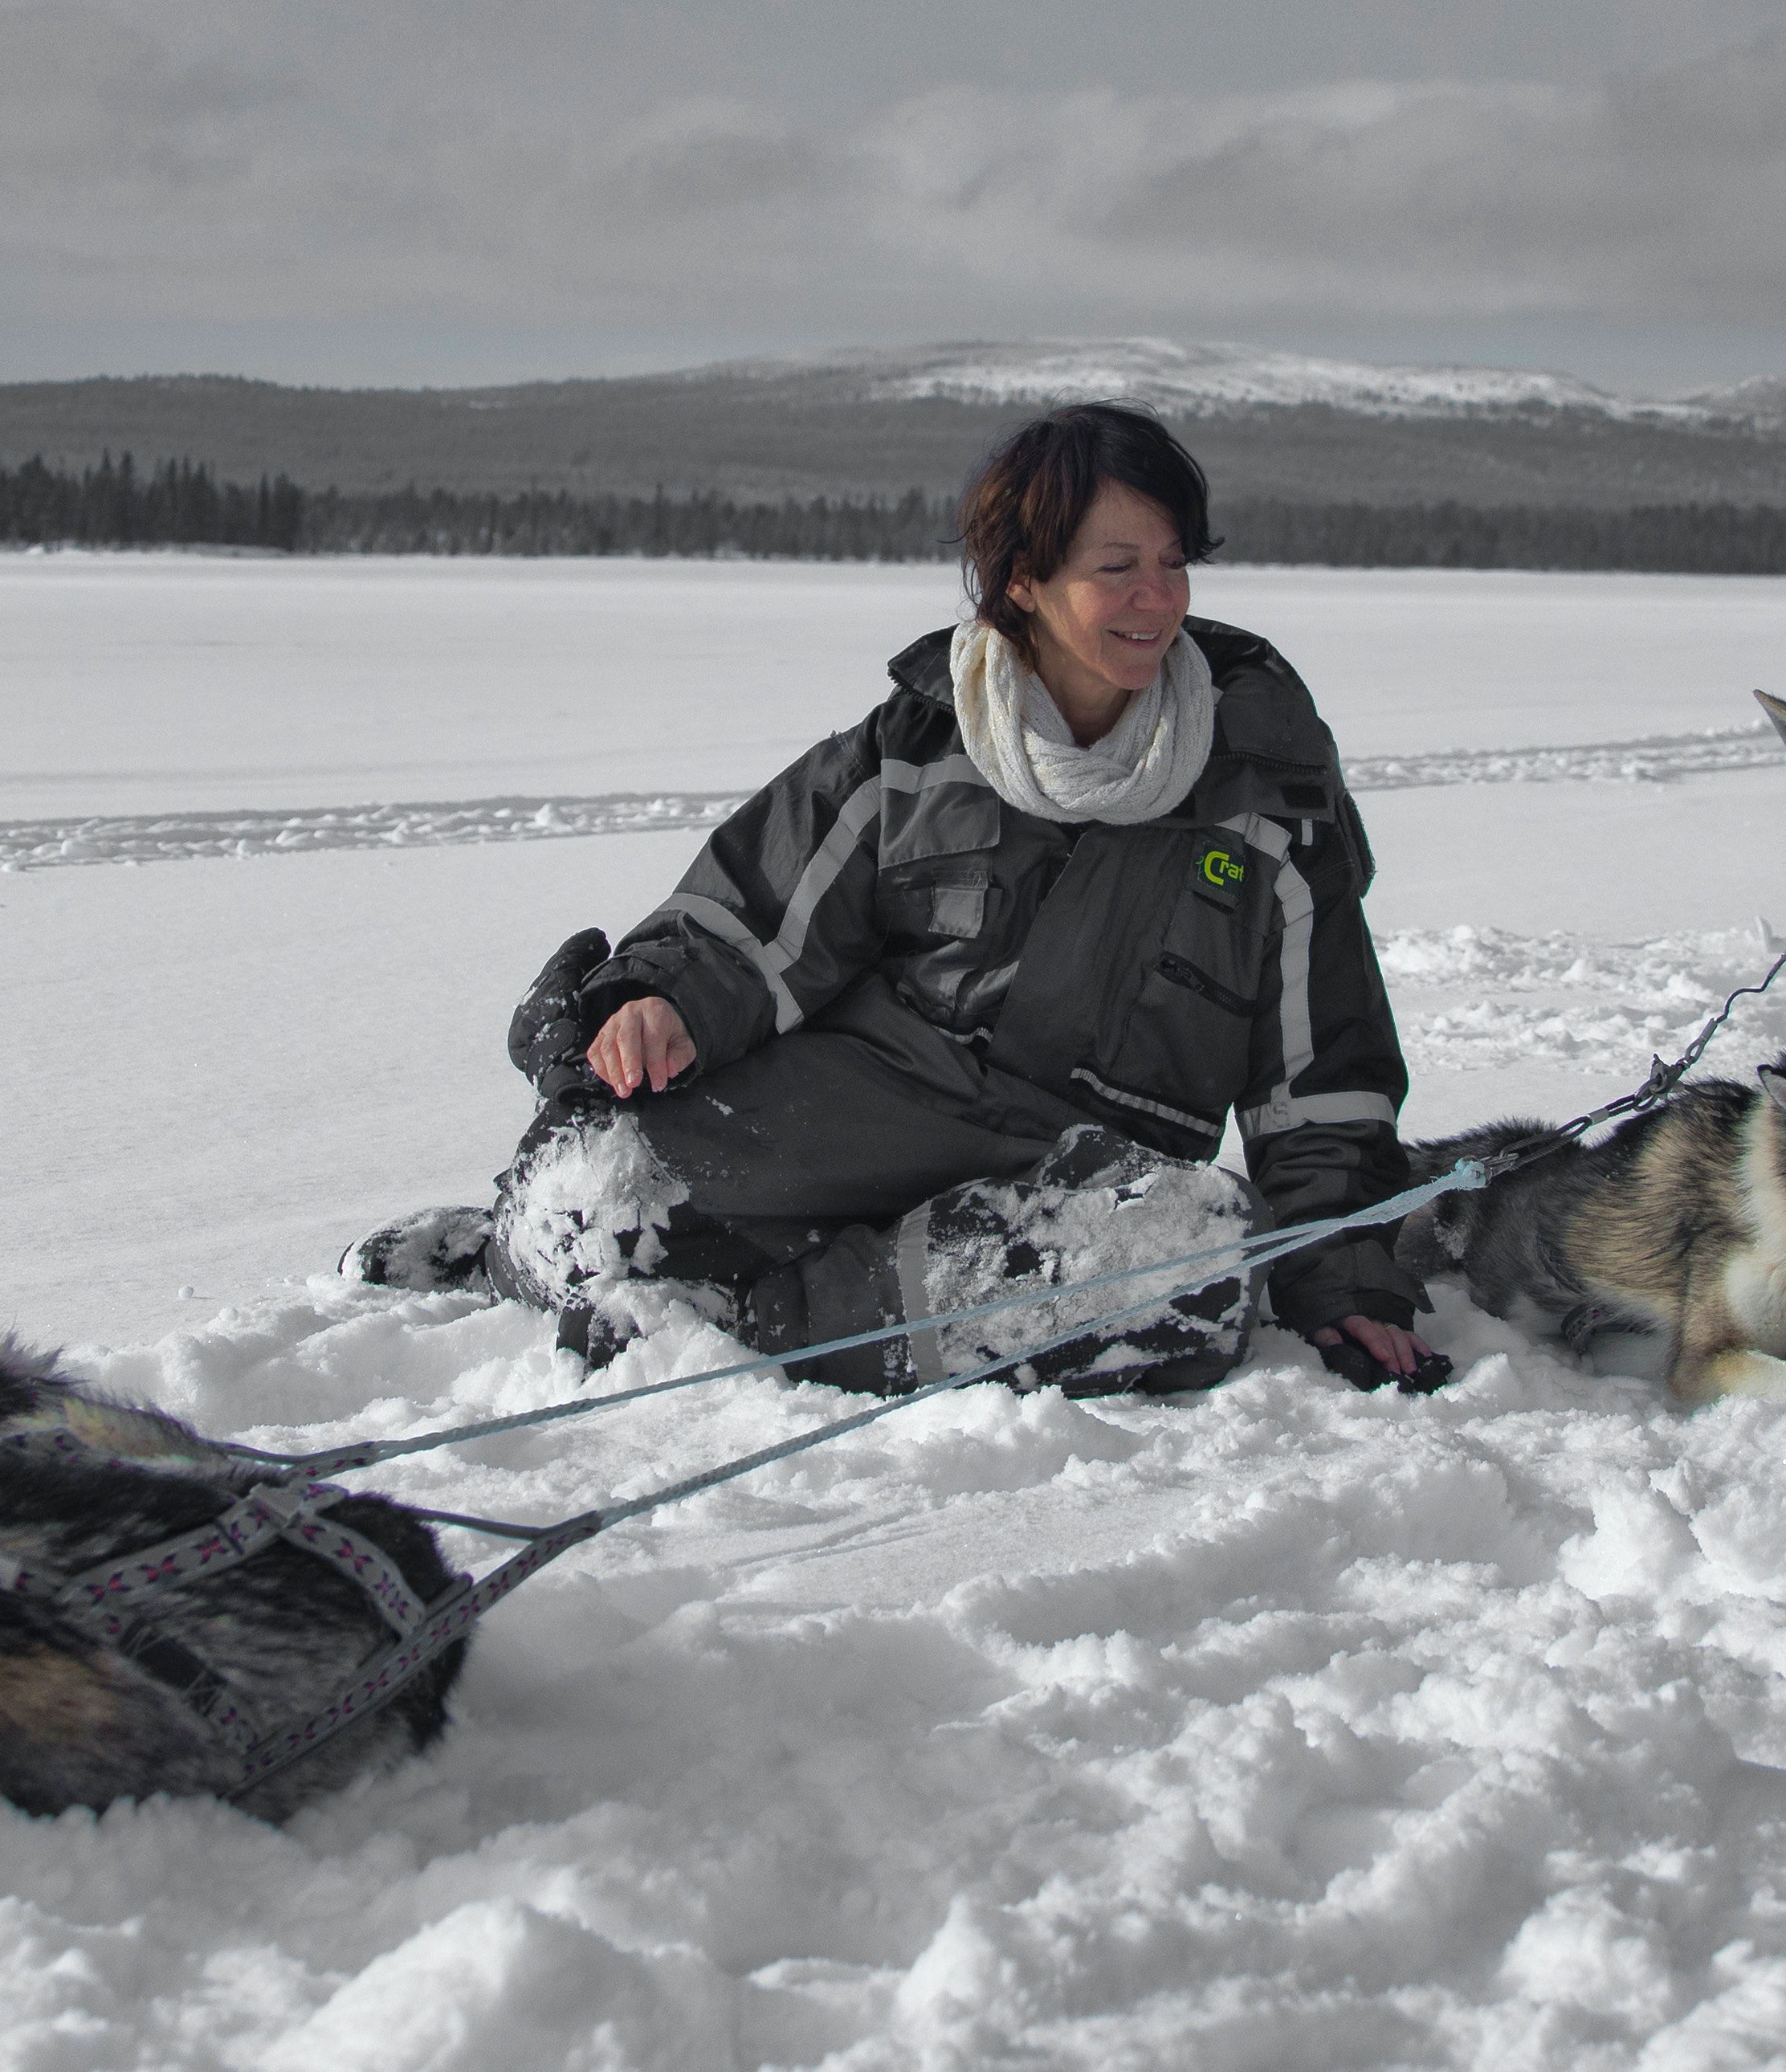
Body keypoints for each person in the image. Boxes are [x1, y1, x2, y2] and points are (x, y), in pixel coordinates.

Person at [348, 402, 1450, 1397]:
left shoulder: (1269, 786)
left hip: (1076, 1177)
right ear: (1024, 578)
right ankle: (506, 1243)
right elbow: (747, 922)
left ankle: (751, 1324)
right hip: (869, 1110)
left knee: (1195, 1270)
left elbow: (1323, 1079)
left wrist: (1345, 1272)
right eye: (1118, 566)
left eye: (1173, 563)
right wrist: (659, 1001)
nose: (1157, 599)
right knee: (586, 1194)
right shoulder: (916, 750)